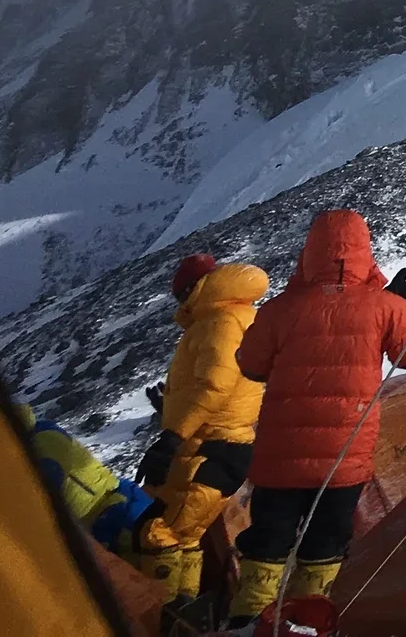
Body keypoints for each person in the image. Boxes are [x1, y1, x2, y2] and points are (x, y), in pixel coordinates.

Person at [228, 209, 406, 623]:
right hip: (344, 457)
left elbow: (249, 364)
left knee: (268, 541)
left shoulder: (280, 309)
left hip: (280, 456)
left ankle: (246, 622)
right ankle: (304, 622)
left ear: (310, 252)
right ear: (365, 253)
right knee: (325, 543)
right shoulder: (385, 307)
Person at [129, 253, 269, 614]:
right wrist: (171, 410)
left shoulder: (219, 322)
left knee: (157, 533)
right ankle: (185, 614)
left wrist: (173, 434)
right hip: (219, 446)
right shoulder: (233, 316)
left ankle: (157, 616)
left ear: (193, 291)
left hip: (213, 448)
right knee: (187, 537)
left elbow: (215, 384)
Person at [19, 404, 158, 550]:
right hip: (105, 511)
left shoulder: (43, 438)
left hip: (109, 507)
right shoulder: (37, 436)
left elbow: (49, 480)